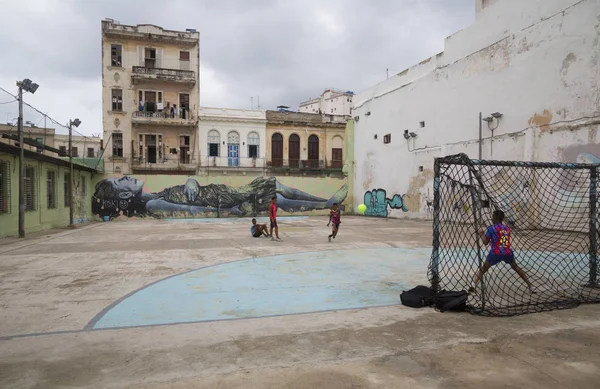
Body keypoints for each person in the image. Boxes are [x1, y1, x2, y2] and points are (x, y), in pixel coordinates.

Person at [470, 210, 536, 294]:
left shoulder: (491, 228)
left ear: (494, 218)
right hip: (507, 252)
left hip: (495, 253)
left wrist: (481, 234)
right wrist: (493, 242)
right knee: (515, 267)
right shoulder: (507, 228)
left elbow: (485, 242)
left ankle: (472, 285)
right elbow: (502, 241)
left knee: (483, 269)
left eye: (493, 217)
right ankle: (530, 286)